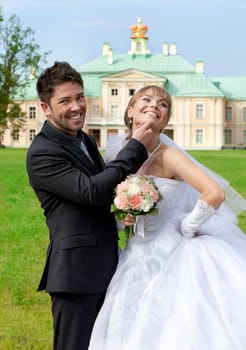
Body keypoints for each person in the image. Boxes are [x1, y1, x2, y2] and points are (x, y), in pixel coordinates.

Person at [88, 85, 246, 350]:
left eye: (163, 105)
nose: (154, 106)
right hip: (134, 253)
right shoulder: (115, 155)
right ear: (130, 111)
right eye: (146, 100)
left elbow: (214, 193)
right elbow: (109, 199)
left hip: (173, 252)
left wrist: (186, 226)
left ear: (166, 119)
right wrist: (123, 217)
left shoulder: (169, 155)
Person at [26, 62, 156, 350]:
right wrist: (134, 147)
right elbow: (92, 191)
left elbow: (106, 192)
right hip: (76, 276)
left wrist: (130, 205)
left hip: (106, 266)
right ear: (45, 108)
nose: (76, 107)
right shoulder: (42, 152)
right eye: (65, 101)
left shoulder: (83, 139)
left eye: (80, 97)